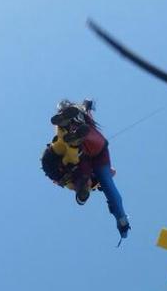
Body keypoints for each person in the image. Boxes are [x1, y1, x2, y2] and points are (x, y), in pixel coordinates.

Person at [41, 99, 130, 239]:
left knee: (73, 156)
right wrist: (122, 220)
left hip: (79, 155)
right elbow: (112, 193)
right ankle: (72, 133)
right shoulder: (98, 174)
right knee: (76, 157)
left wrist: (122, 222)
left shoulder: (87, 175)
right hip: (89, 151)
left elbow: (111, 192)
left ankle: (71, 133)